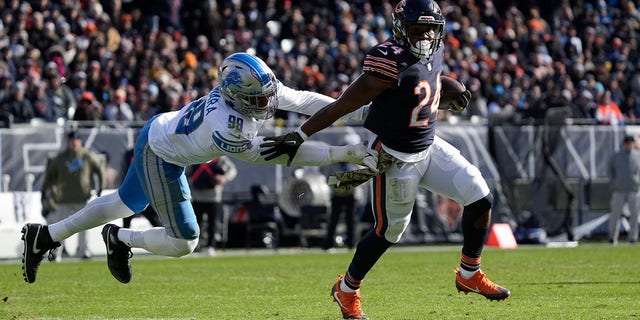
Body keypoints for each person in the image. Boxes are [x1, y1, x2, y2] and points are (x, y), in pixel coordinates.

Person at [20, 52, 377, 284]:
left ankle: (46, 236)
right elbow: (280, 154)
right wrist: (344, 152)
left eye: (268, 95)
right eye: (258, 100)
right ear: (237, 97)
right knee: (185, 241)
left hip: (162, 133)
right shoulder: (226, 126)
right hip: (163, 152)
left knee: (123, 204)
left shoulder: (253, 88)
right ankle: (120, 238)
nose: (268, 104)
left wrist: (353, 109)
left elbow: (300, 99)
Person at [260, 1, 510, 318]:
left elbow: (427, 81)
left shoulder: (436, 47)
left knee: (481, 197)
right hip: (394, 158)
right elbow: (342, 106)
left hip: (429, 147)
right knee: (388, 232)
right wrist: (300, 135)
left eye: (428, 30)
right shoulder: (388, 60)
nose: (423, 37)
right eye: (415, 30)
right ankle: (346, 290)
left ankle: (469, 273)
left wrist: (449, 89)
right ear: (400, 29)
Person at [40, 130, 105, 260]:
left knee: (84, 227)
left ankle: (83, 251)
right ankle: (55, 253)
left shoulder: (87, 156)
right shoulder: (60, 158)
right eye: (71, 140)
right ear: (68, 142)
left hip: (82, 199)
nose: (74, 142)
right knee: (60, 228)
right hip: (63, 199)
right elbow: (49, 177)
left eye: (76, 139)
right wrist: (44, 193)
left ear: (80, 141)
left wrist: (100, 188)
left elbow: (100, 170)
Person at [323, 132, 365, 252]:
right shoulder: (334, 160)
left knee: (351, 219)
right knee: (333, 219)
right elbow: (328, 175)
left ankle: (351, 244)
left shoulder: (355, 160)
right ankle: (328, 244)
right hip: (337, 193)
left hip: (352, 193)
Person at [189, 156, 237, 255]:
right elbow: (185, 172)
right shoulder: (194, 155)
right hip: (197, 196)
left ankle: (210, 246)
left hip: (214, 197)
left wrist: (224, 178)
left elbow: (232, 170)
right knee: (196, 223)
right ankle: (195, 245)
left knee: (213, 223)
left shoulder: (220, 158)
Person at [608, 135, 640, 245]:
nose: (630, 145)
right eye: (628, 143)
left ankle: (633, 237)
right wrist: (614, 184)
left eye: (631, 143)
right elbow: (610, 171)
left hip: (633, 189)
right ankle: (612, 237)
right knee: (615, 214)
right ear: (624, 144)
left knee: (635, 214)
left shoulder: (637, 156)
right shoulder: (617, 156)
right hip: (619, 189)